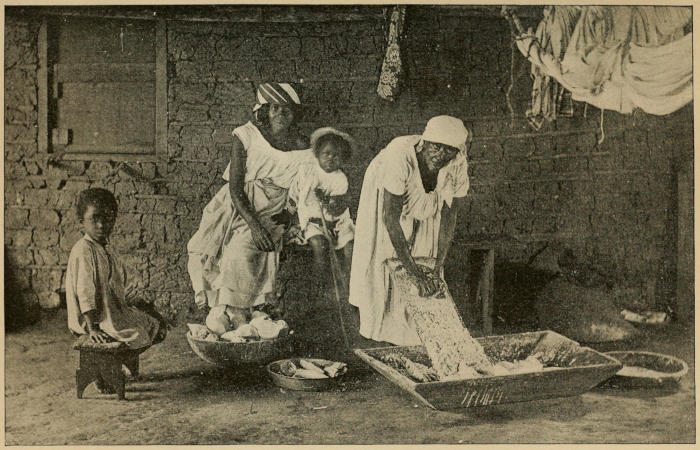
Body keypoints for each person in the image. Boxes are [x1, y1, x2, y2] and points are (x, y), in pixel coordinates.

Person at [187, 82, 307, 320]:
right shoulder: (246, 134)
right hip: (238, 203)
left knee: (240, 252)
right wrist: (254, 225)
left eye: (287, 109)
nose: (281, 114)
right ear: (265, 110)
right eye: (275, 107)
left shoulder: (304, 147)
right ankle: (224, 313)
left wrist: (289, 216)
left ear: (295, 114)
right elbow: (235, 187)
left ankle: (238, 312)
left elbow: (305, 186)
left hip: (274, 207)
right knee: (206, 248)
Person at [348, 115, 471, 346]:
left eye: (449, 150)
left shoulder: (457, 164)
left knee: (425, 252)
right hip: (385, 194)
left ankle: (413, 337)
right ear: (424, 143)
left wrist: (437, 266)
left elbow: (449, 217)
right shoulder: (400, 157)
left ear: (457, 152)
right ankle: (381, 335)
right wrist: (414, 273)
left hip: (426, 205)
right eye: (436, 147)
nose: (441, 155)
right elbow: (390, 218)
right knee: (385, 253)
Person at [65, 188, 168, 350]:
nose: (101, 225)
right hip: (91, 320)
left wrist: (148, 309)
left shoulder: (106, 249)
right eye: (94, 218)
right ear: (81, 221)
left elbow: (122, 287)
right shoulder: (83, 250)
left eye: (107, 218)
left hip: (109, 312)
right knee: (136, 332)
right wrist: (93, 329)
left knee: (153, 324)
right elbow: (85, 293)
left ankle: (127, 359)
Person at [287, 127, 356, 288]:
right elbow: (294, 195)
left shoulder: (340, 179)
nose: (331, 159)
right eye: (327, 154)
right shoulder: (307, 171)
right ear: (317, 154)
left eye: (336, 156)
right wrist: (292, 216)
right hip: (313, 222)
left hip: (337, 222)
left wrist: (326, 200)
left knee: (350, 248)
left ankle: (350, 286)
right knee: (319, 245)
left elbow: (336, 208)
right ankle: (320, 285)